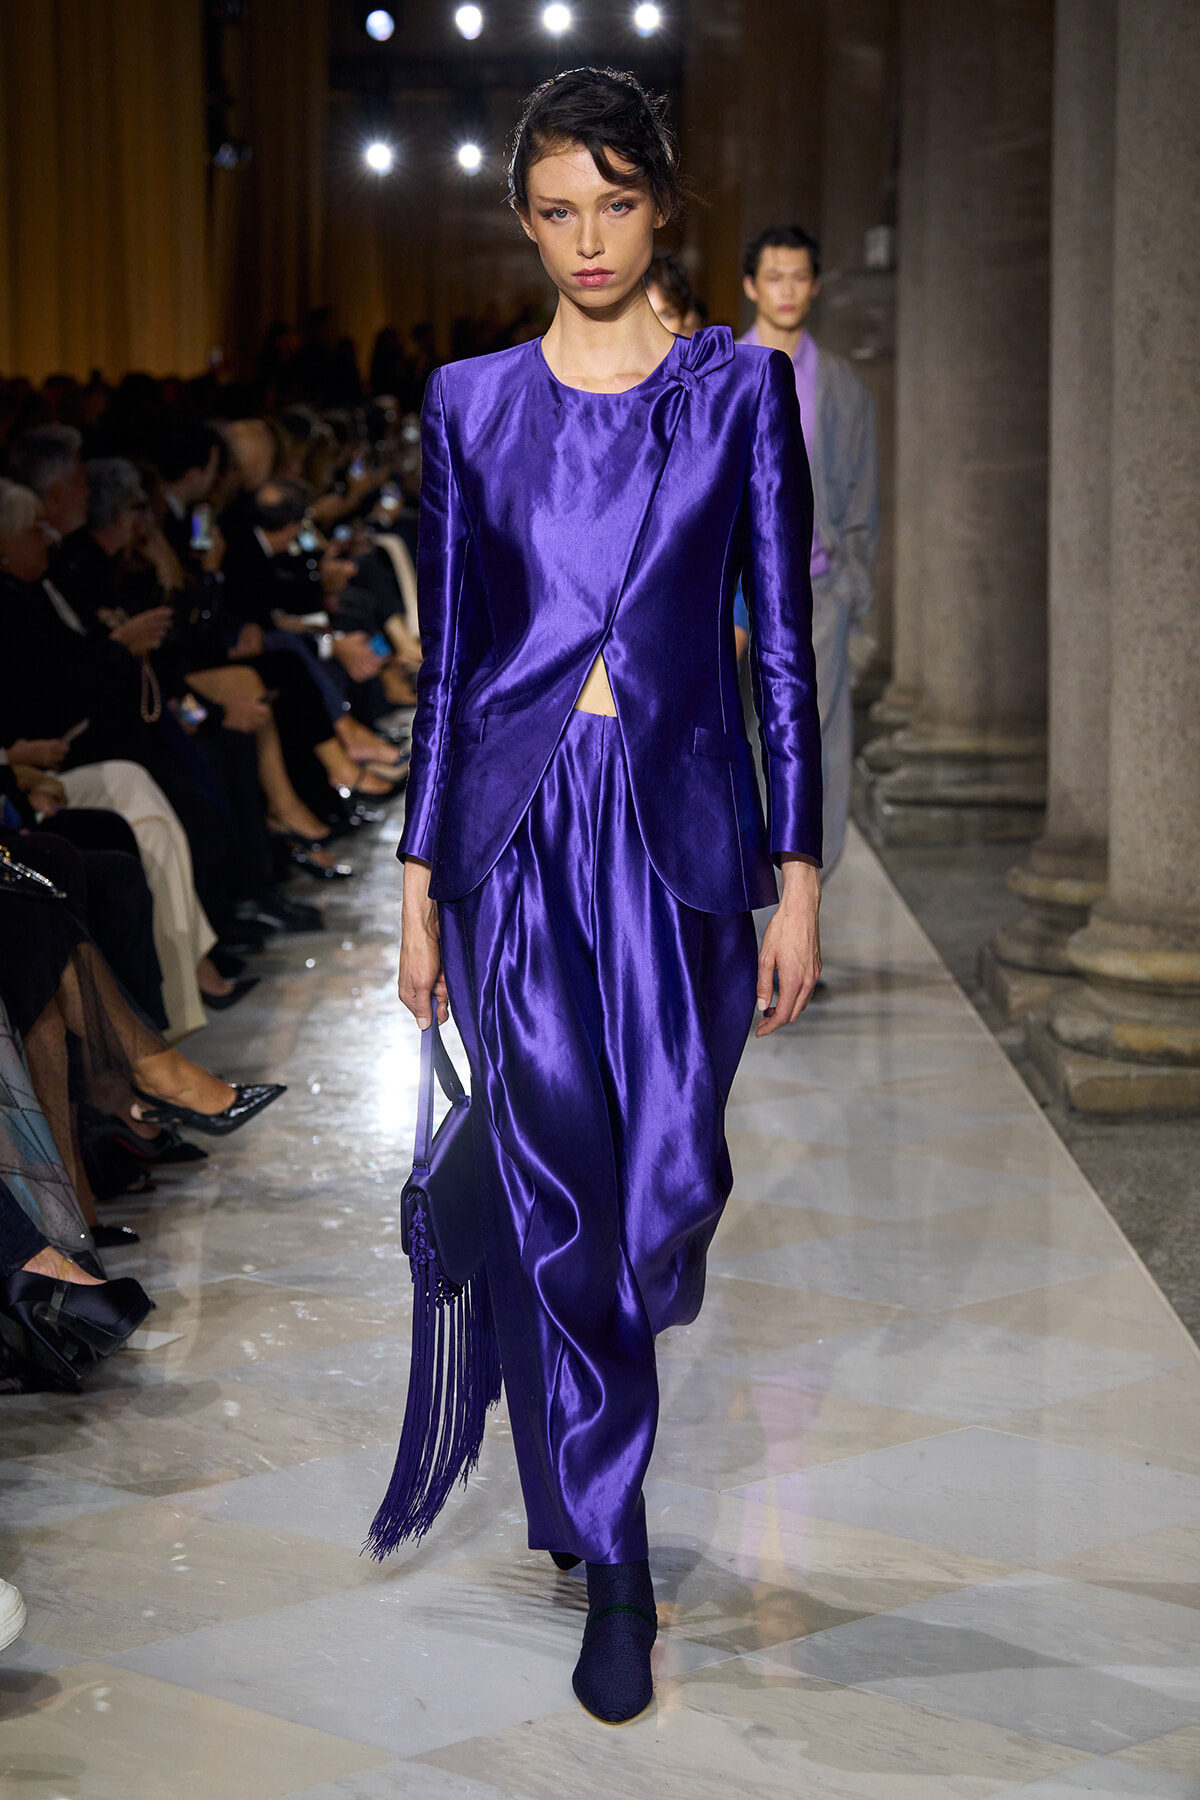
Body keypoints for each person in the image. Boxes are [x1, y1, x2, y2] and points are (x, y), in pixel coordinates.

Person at [395, 68, 821, 1725]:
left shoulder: (736, 392)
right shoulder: (470, 403)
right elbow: (447, 671)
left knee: (663, 1196)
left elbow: (778, 650)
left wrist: (798, 877)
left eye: (617, 205)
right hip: (512, 840)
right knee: (567, 1196)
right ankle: (617, 1560)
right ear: (524, 220)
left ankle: (587, 1447)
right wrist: (419, 885)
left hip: (680, 840)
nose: (588, 240)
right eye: (558, 211)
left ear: (661, 206)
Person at [740, 224, 879, 876]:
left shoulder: (843, 386)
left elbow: (863, 502)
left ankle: (805, 901)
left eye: (799, 277)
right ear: (751, 285)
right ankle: (743, 899)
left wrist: (852, 589)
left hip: (818, 590)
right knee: (739, 737)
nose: (787, 290)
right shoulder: (720, 372)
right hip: (732, 594)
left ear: (815, 286)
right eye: (775, 277)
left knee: (814, 744)